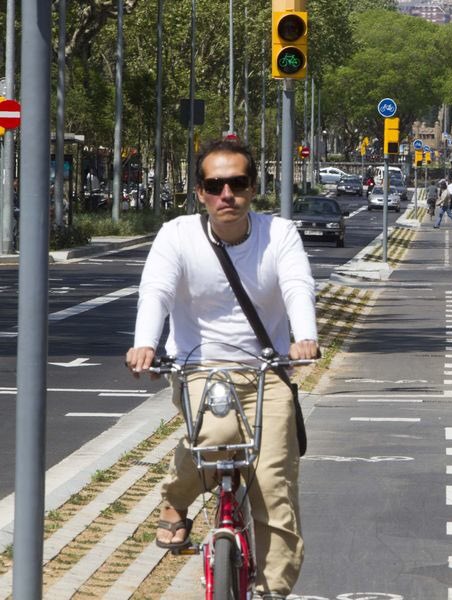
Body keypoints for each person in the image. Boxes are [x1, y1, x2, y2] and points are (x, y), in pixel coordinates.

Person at [124, 138, 319, 599]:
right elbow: (157, 291)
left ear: (253, 188)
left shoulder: (280, 234)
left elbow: (297, 284)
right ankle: (176, 500)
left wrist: (305, 335)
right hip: (200, 368)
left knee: (273, 482)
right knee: (212, 439)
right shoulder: (177, 235)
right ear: (200, 192)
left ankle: (273, 588)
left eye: (237, 183)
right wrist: (145, 344)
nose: (226, 194)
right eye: (215, 185)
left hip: (268, 371)